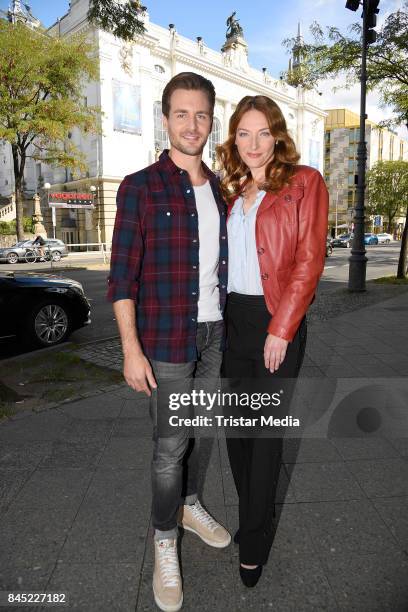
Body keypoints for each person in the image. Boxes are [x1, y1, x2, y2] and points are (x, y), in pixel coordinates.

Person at [107, 72, 231, 612]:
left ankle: (189, 503)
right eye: (181, 114)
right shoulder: (140, 185)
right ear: (165, 118)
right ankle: (164, 541)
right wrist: (131, 350)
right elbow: (120, 277)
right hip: (165, 339)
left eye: (201, 114)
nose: (192, 124)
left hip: (214, 334)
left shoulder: (220, 190)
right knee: (168, 448)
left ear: (211, 119)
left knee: (197, 432)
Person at [217, 95, 328, 587]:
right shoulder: (233, 190)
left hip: (276, 317)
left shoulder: (304, 184)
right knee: (236, 434)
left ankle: (255, 542)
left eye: (263, 133)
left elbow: (309, 261)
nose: (254, 143)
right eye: (244, 133)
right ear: (234, 138)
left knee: (263, 437)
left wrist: (281, 329)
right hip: (235, 323)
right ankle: (251, 517)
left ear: (278, 135)